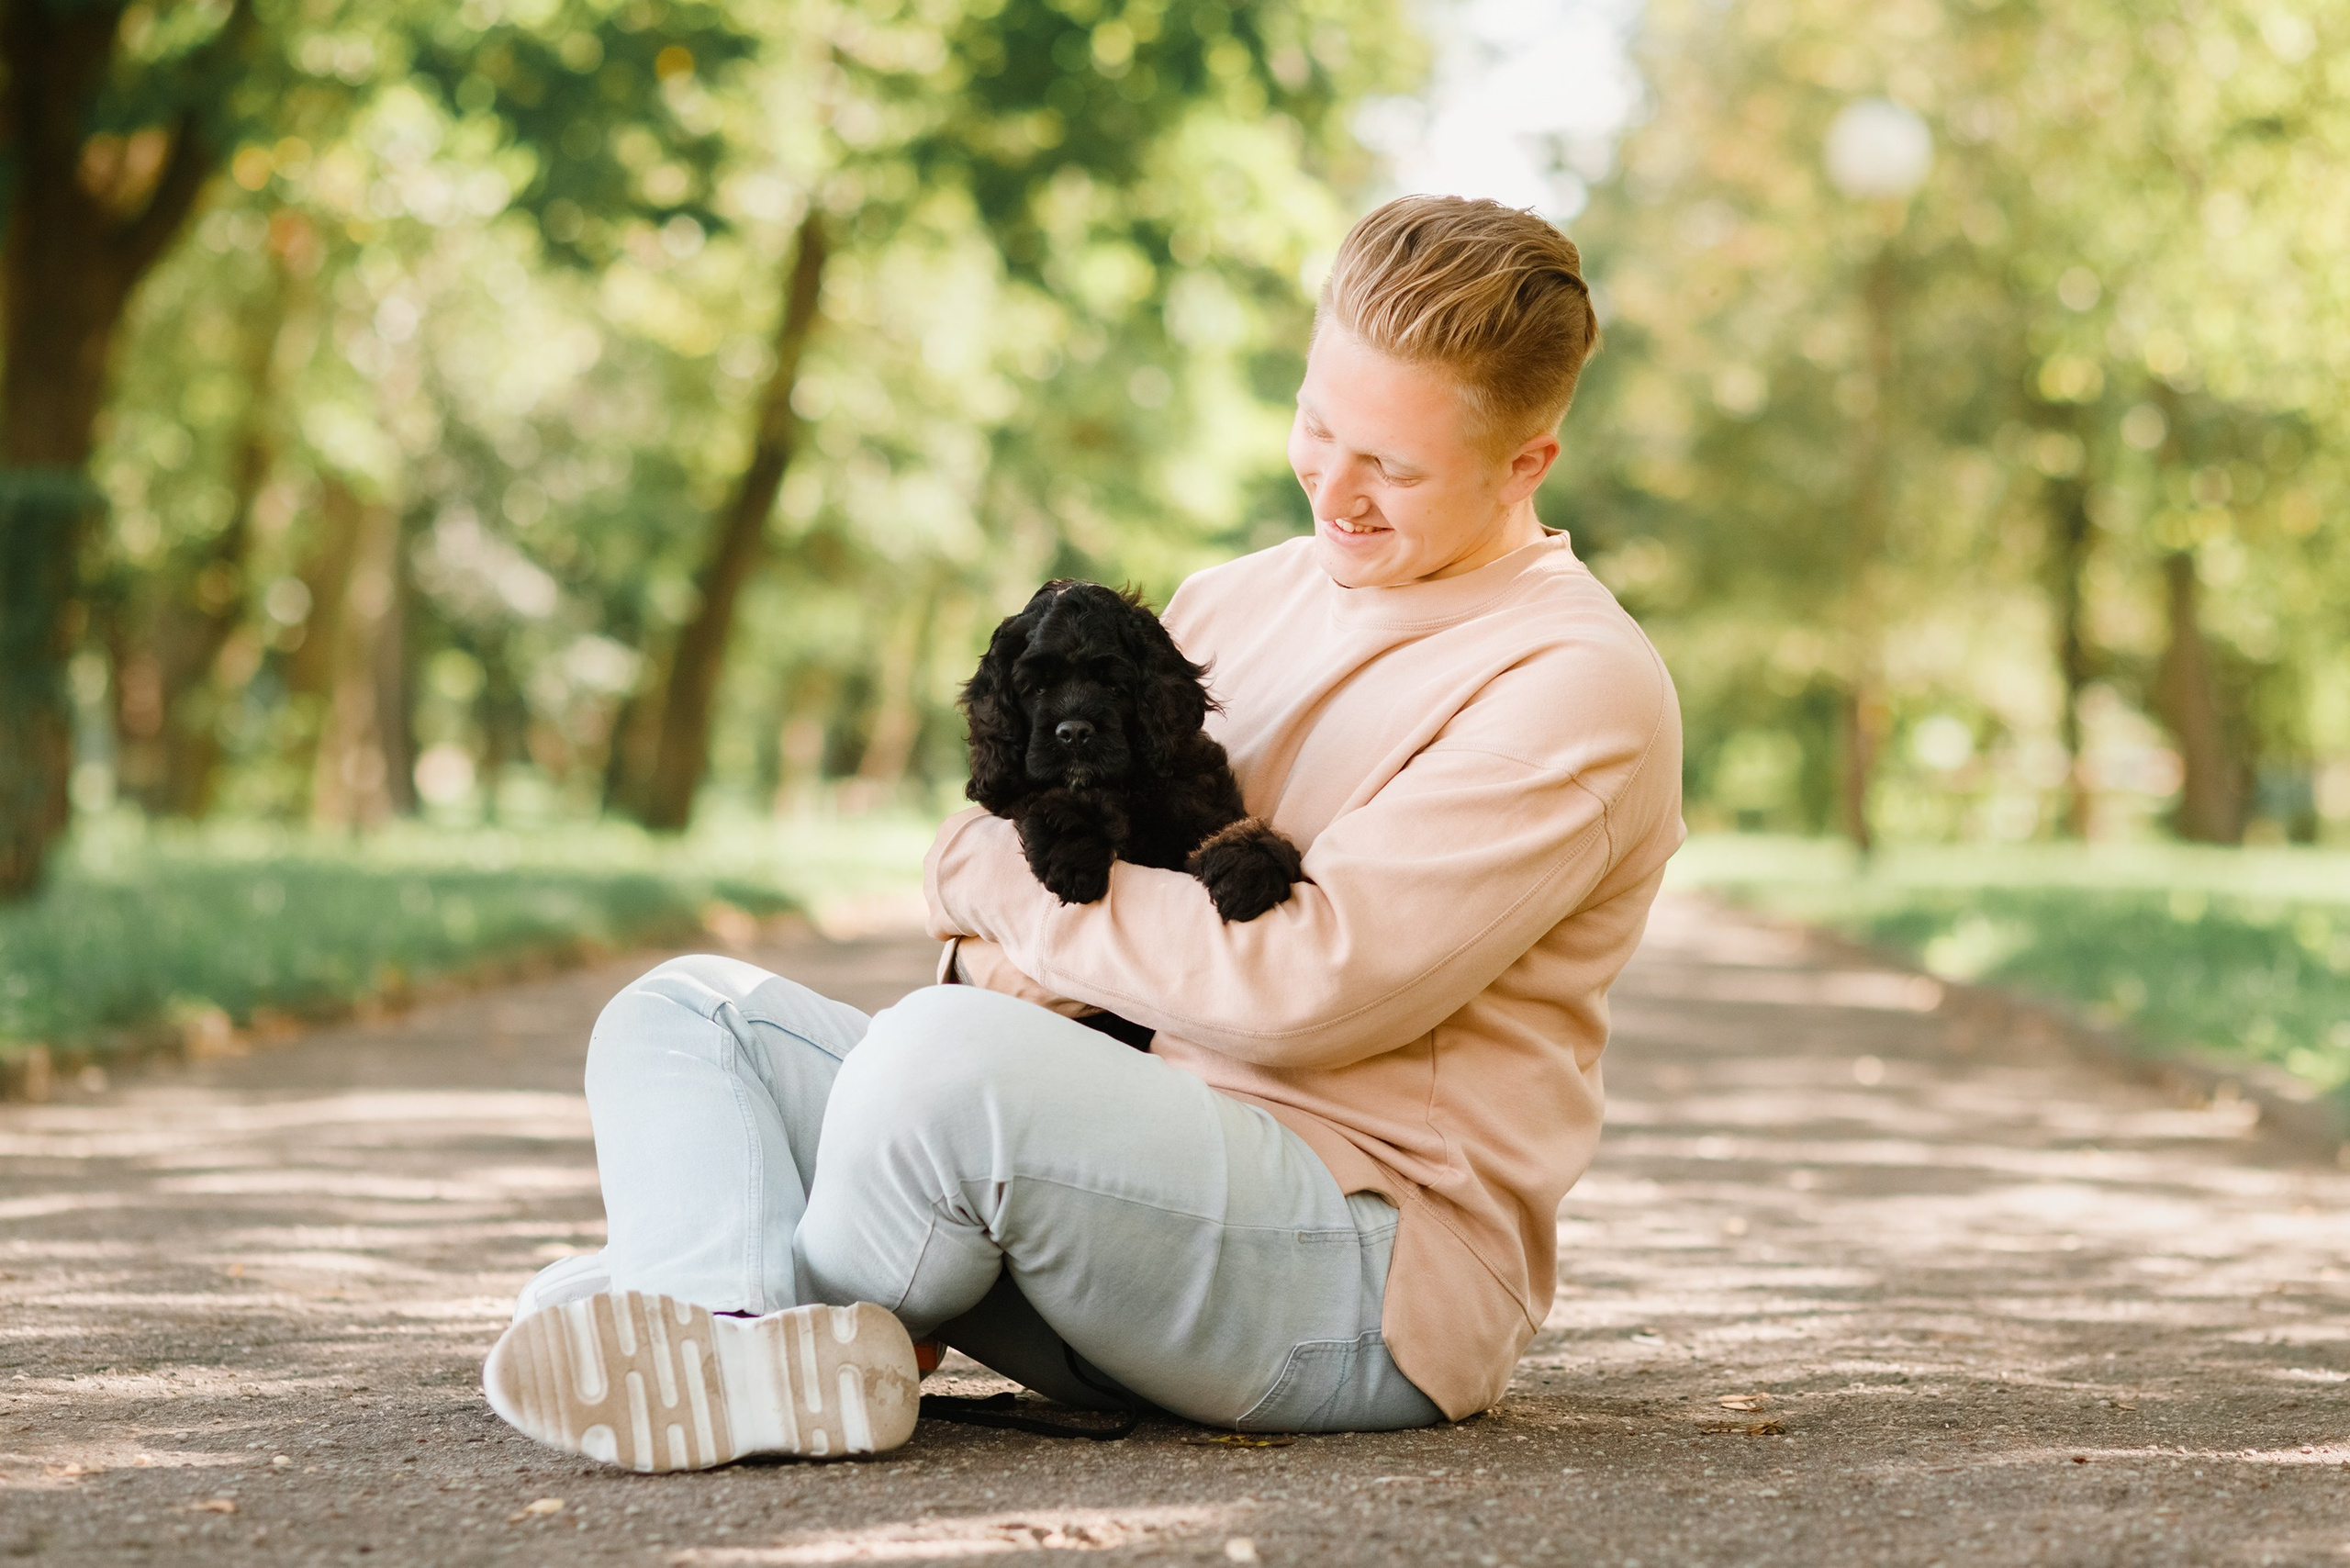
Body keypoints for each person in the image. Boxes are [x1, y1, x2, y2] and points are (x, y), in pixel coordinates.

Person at [480, 194, 1684, 1471]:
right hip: (1094, 1176)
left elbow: (1301, 988)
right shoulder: (1237, 598)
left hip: (1354, 1267)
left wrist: (989, 882)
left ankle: (701, 1299)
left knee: (945, 1059)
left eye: (1392, 465)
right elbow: (1016, 870)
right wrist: (1001, 888)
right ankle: (729, 1324)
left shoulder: (1571, 680)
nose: (1333, 487)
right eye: (1316, 423)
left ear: (1524, 464)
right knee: (683, 1015)